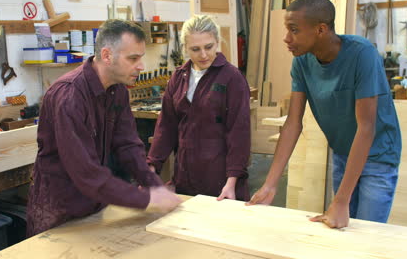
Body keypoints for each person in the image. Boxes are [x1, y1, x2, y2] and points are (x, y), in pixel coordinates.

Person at [247, 0, 401, 229]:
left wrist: (341, 201)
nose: (286, 38)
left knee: (368, 233)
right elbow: (292, 124)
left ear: (320, 29)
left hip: (378, 155)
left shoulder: (362, 54)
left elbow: (366, 128)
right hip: (342, 154)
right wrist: (270, 184)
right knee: (340, 230)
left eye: (294, 30)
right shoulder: (301, 62)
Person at [27, 20, 181, 237]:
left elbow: (128, 145)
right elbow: (86, 173)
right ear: (107, 56)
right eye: (133, 58)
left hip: (94, 208)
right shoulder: (70, 97)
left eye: (141, 57)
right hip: (59, 213)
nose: (141, 66)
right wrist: (147, 200)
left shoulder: (117, 90)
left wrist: (154, 185)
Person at [147, 15, 251, 201]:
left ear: (217, 42)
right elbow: (166, 127)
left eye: (209, 47)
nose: (203, 55)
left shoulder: (232, 78)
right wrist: (152, 166)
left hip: (221, 182)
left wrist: (232, 181)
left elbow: (239, 133)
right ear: (185, 48)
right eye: (195, 49)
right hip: (185, 178)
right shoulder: (178, 78)